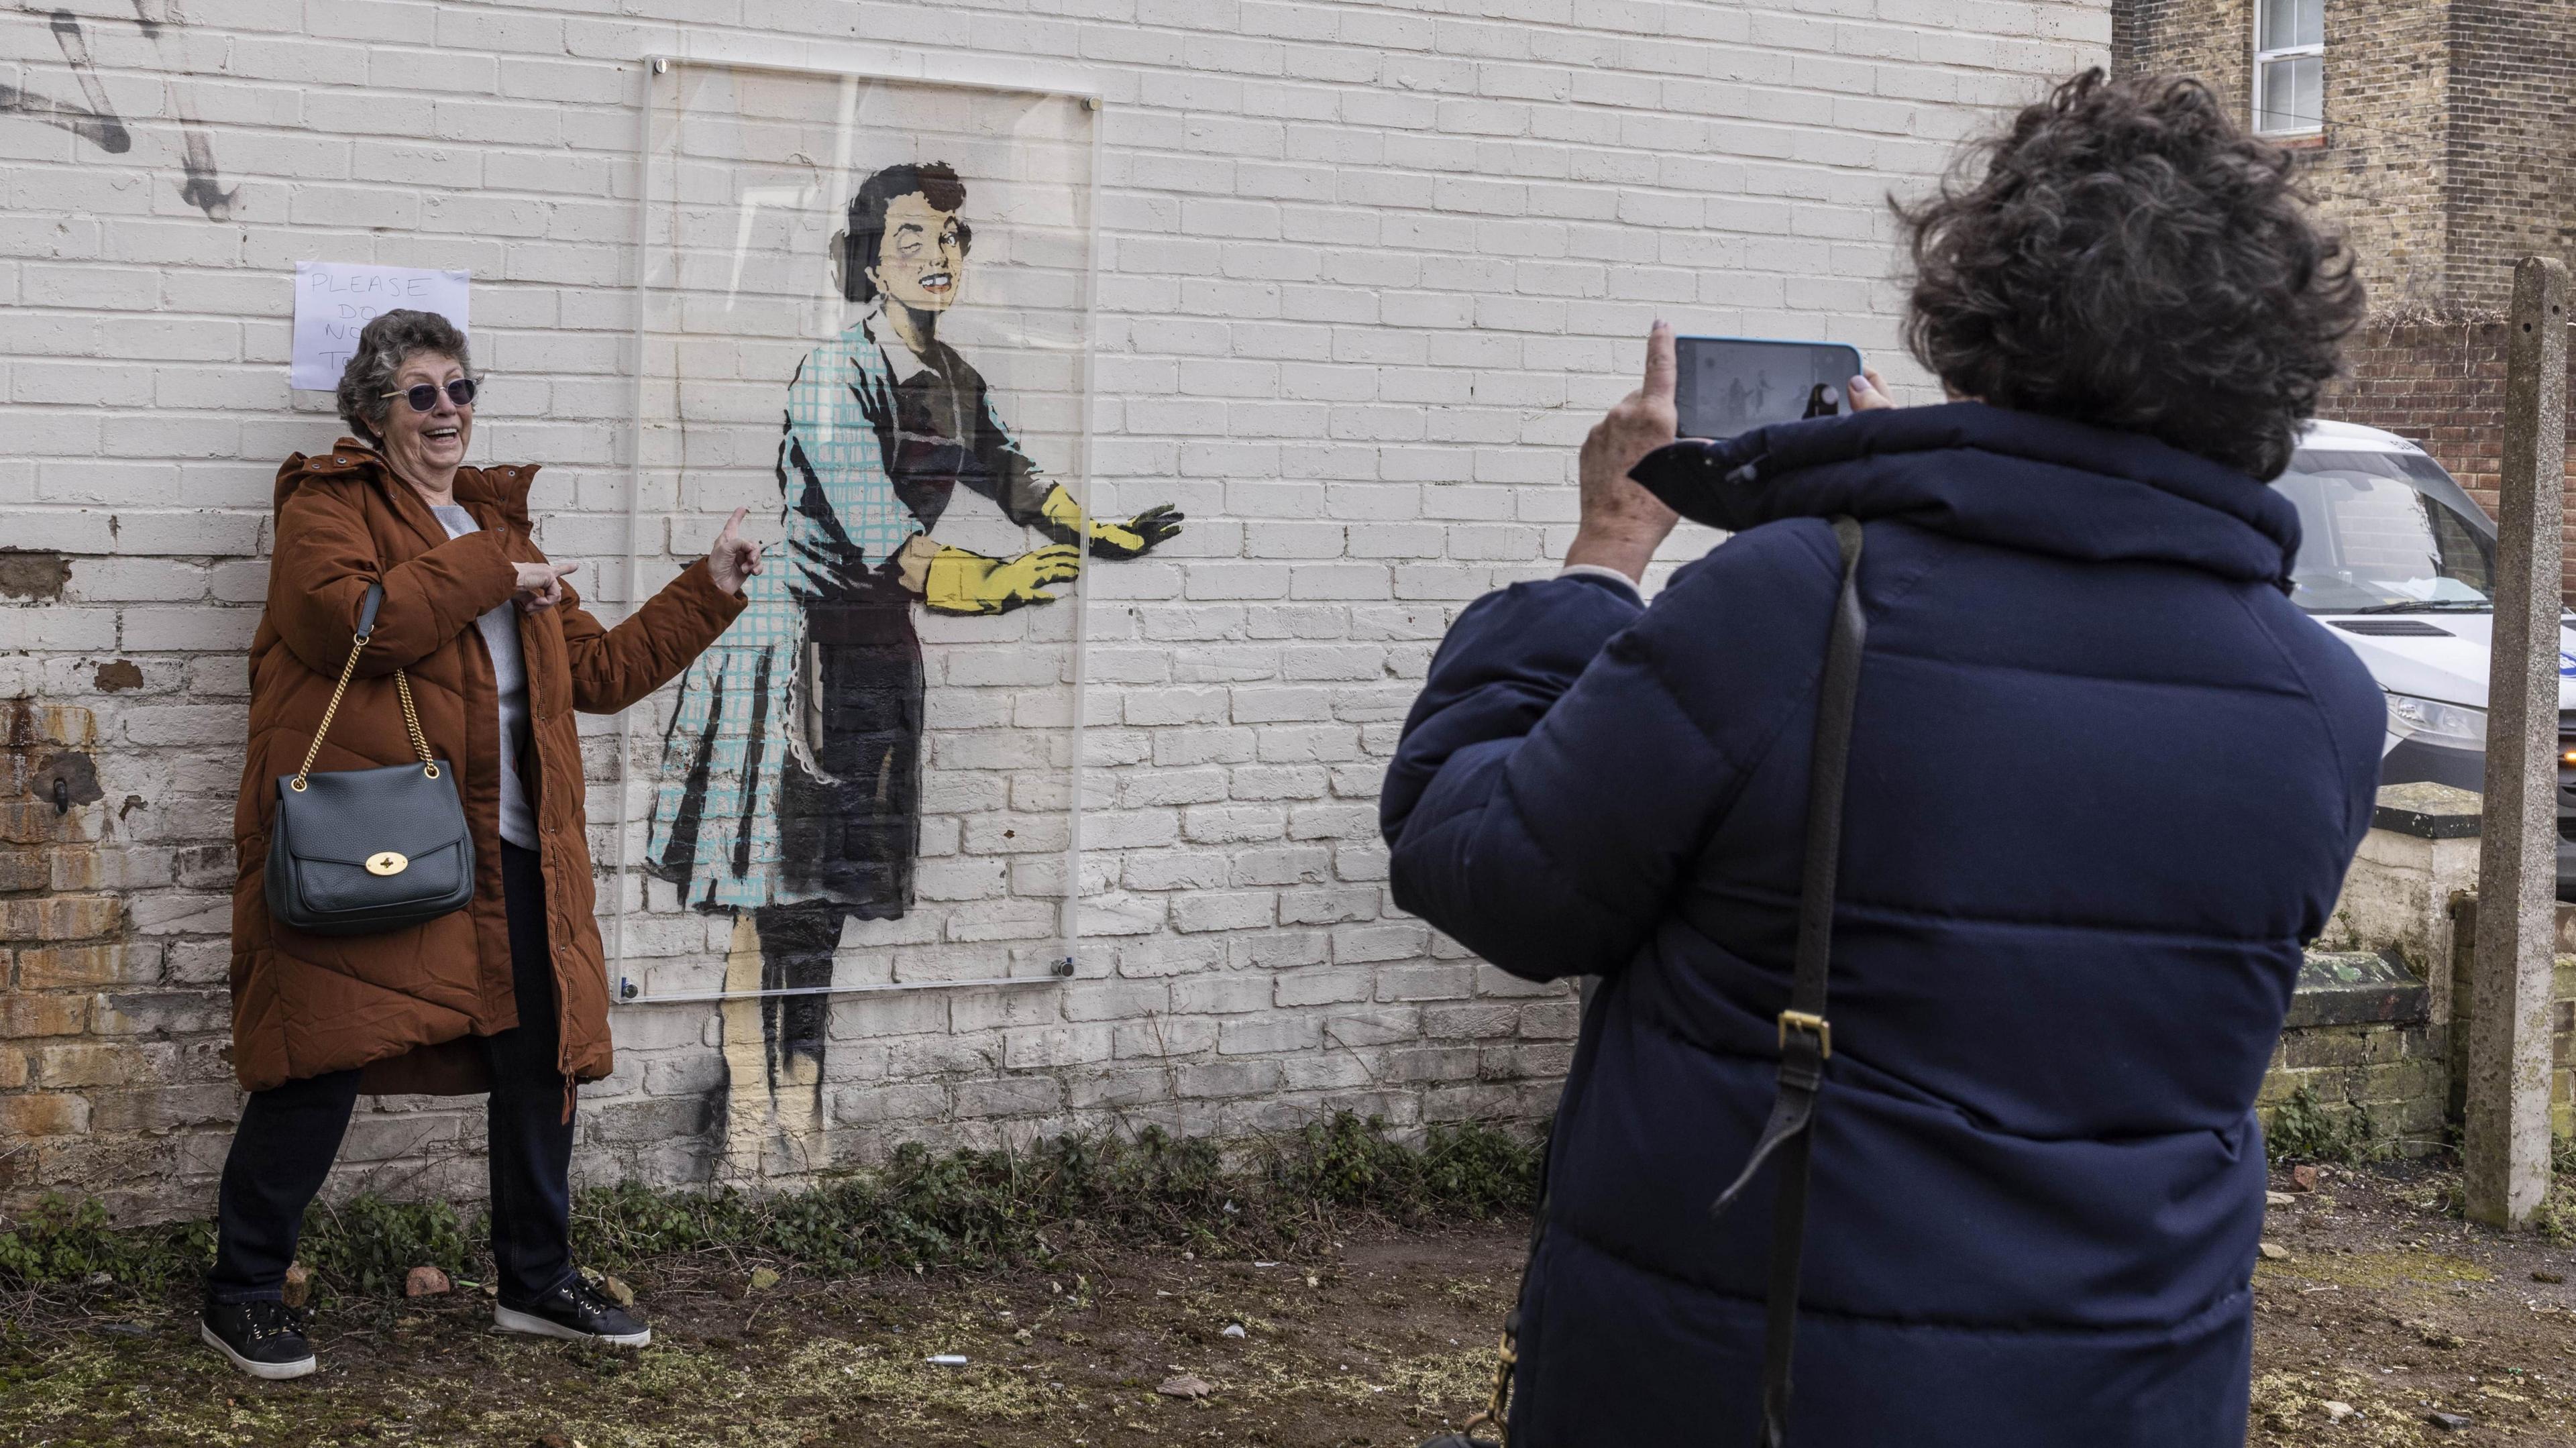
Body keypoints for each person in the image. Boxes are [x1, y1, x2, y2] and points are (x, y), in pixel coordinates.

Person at [1381, 71, 2376, 1445]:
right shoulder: (2322, 698)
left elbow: (1485, 869)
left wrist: (1604, 558)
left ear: (1984, 323)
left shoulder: (1796, 605)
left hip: (1765, 1390)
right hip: (2131, 1395)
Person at [206, 308, 760, 1379]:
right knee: (319, 1059)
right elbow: (352, 623)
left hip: (513, 856)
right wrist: (492, 579)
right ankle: (244, 1292)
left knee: (537, 1062)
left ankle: (537, 1283)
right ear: (375, 412)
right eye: (421, 393)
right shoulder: (330, 506)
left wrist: (711, 587)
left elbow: (595, 677)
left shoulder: (504, 532)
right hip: (386, 845)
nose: (448, 411)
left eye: (460, 389)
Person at [645, 161, 1181, 1137]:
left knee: (834, 897)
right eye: (911, 241)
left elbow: (1020, 479)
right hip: (796, 654)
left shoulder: (952, 380)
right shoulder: (833, 373)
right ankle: (756, 1107)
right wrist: (1007, 582)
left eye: (950, 238)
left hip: (877, 656)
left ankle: (796, 1101)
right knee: (776, 897)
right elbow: (887, 541)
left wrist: (1105, 535)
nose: (938, 257)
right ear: (869, 265)